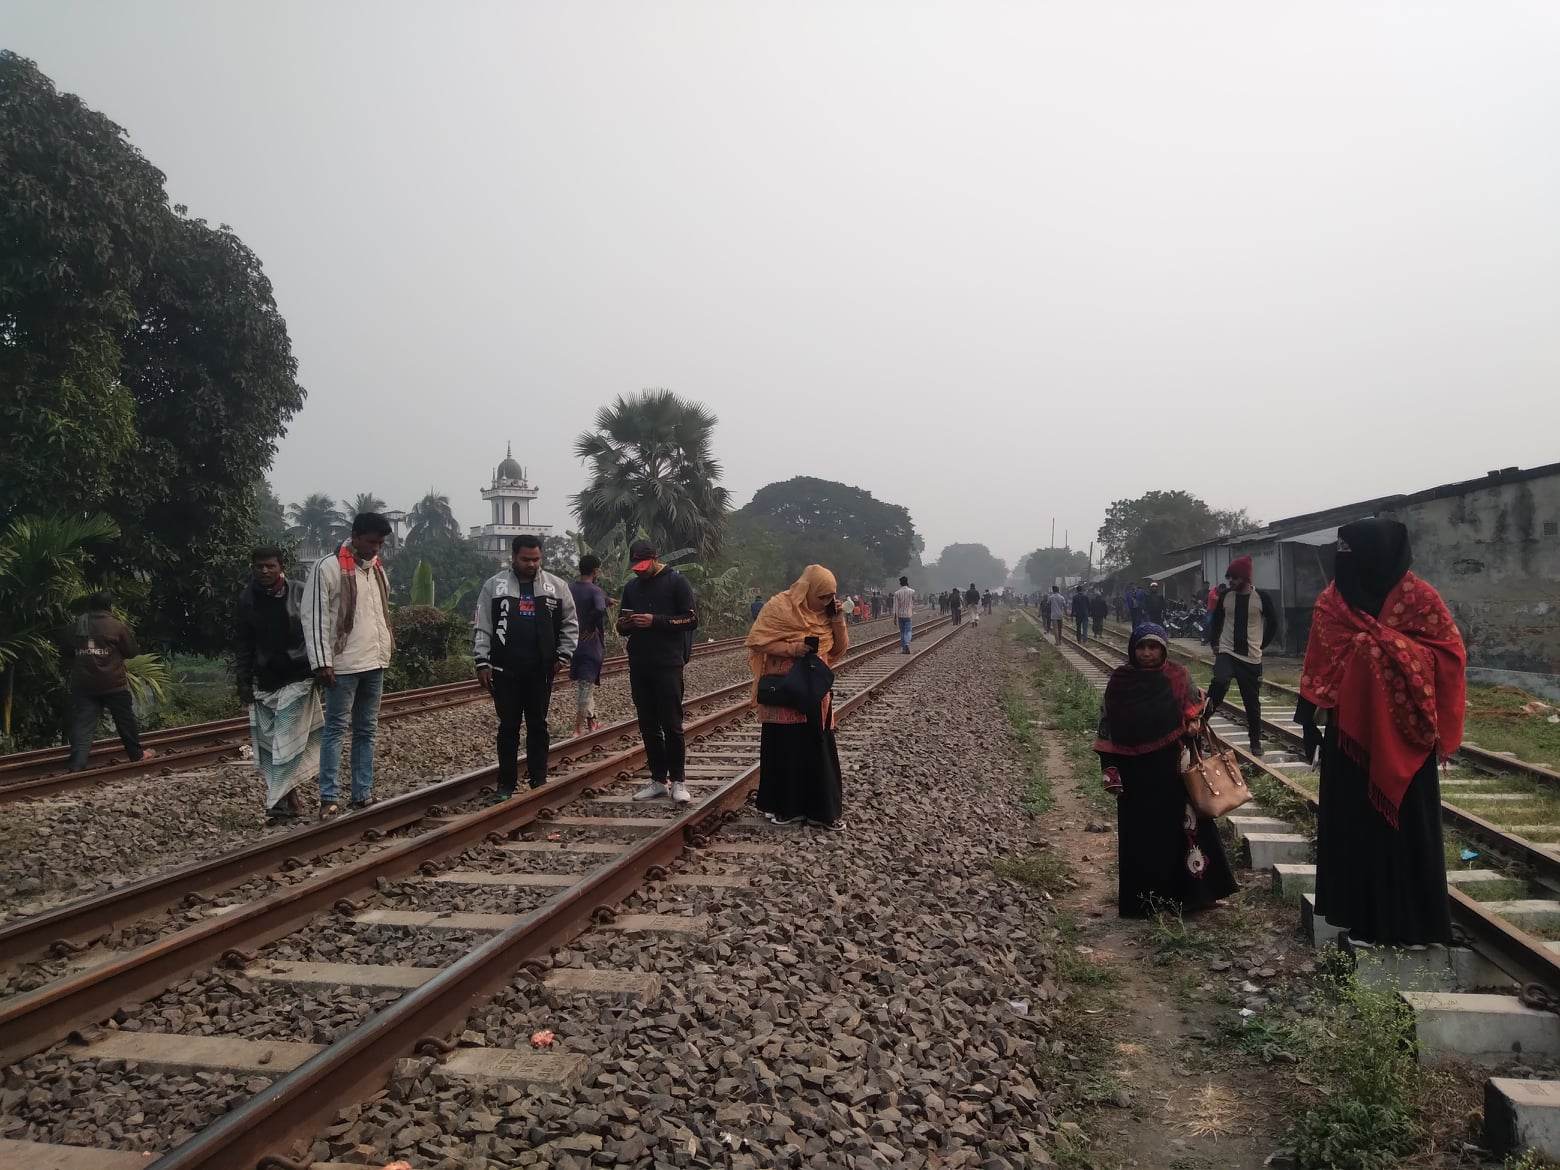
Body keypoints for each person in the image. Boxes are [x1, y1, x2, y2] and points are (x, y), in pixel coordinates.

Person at [1299, 519, 1465, 945]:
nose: (1344, 562)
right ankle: (1361, 918)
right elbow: (1318, 660)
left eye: (1351, 552)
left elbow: (1449, 655)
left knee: (1406, 830)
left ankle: (1417, 923)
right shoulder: (1332, 601)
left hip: (1406, 742)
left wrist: (1384, 648)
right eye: (1341, 552)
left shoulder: (1419, 598)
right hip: (1348, 740)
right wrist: (1307, 720)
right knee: (1354, 828)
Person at [1095, 623, 1238, 917]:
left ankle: (1196, 896)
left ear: (1163, 650)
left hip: (1173, 768)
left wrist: (1194, 722)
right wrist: (1110, 771)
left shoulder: (1178, 676)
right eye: (1141, 647)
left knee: (1186, 830)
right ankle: (1147, 903)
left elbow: (1196, 707)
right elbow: (1107, 726)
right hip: (1135, 773)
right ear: (1132, 649)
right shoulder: (1120, 682)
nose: (1147, 653)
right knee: (1143, 836)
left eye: (1153, 647)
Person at [303, 512, 395, 817]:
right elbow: (315, 618)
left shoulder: (376, 568)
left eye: (380, 543)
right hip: (341, 665)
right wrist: (322, 662)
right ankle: (328, 796)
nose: (375, 548)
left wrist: (384, 652)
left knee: (366, 730)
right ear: (355, 537)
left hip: (374, 661)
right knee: (335, 730)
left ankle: (362, 793)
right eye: (371, 542)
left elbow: (380, 614)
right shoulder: (327, 568)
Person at [473, 534, 579, 801]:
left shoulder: (556, 586)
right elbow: (483, 625)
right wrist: (482, 661)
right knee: (508, 727)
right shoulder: (494, 586)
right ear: (514, 557)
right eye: (525, 559)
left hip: (541, 670)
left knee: (538, 725)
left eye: (536, 559)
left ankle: (538, 781)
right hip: (504, 670)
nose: (531, 564)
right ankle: (506, 785)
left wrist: (563, 656)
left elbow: (570, 623)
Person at [747, 565, 850, 829]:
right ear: (807, 590)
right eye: (822, 596)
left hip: (814, 690)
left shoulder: (827, 615)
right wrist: (793, 648)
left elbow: (839, 649)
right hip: (783, 689)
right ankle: (785, 807)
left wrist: (837, 619)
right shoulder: (778, 607)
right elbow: (757, 640)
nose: (826, 601)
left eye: (831, 596)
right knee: (785, 746)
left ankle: (820, 811)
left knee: (818, 746)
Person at [236, 547, 320, 824]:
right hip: (266, 679)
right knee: (272, 744)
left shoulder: (300, 592)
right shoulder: (248, 600)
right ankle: (290, 799)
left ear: (281, 566)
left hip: (299, 676)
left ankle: (278, 801)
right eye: (259, 566)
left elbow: (317, 631)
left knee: (285, 739)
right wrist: (243, 681)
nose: (264, 571)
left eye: (270, 566)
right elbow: (244, 644)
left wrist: (322, 666)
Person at [619, 540, 699, 804]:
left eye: (644, 566)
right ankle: (658, 780)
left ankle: (678, 780)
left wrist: (656, 621)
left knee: (672, 724)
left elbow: (690, 619)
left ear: (655, 558)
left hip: (668, 663)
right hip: (639, 662)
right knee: (648, 725)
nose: (640, 571)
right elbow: (621, 626)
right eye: (636, 567)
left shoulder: (676, 582)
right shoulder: (631, 587)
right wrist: (626, 623)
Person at [63, 591, 155, 772]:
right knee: (125, 721)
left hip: (84, 685)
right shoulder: (116, 626)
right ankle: (136, 755)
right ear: (109, 607)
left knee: (83, 725)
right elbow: (131, 652)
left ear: (90, 606)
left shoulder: (75, 626)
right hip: (113, 683)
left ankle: (77, 764)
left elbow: (66, 652)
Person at [1203, 556, 1280, 757]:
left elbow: (1273, 623)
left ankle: (1255, 742)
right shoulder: (1225, 597)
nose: (1231, 582)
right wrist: (1214, 643)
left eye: (1234, 578)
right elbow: (1216, 620)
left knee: (1251, 701)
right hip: (1227, 651)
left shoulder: (1262, 597)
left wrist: (1262, 645)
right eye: (1229, 578)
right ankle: (1199, 725)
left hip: (1251, 657)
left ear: (1245, 577)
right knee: (1219, 683)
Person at [569, 554, 608, 737]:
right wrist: (590, 626)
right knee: (585, 686)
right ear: (595, 571)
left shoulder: (570, 588)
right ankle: (577, 729)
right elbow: (599, 608)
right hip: (590, 644)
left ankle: (592, 722)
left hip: (572, 643)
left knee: (585, 683)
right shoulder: (595, 590)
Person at [892, 574, 916, 653]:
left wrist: (894, 617)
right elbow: (913, 601)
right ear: (907, 582)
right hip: (908, 614)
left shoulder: (897, 593)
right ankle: (907, 644)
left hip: (900, 615)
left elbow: (895, 606)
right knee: (908, 631)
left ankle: (903, 649)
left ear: (900, 583)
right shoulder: (912, 591)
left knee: (902, 632)